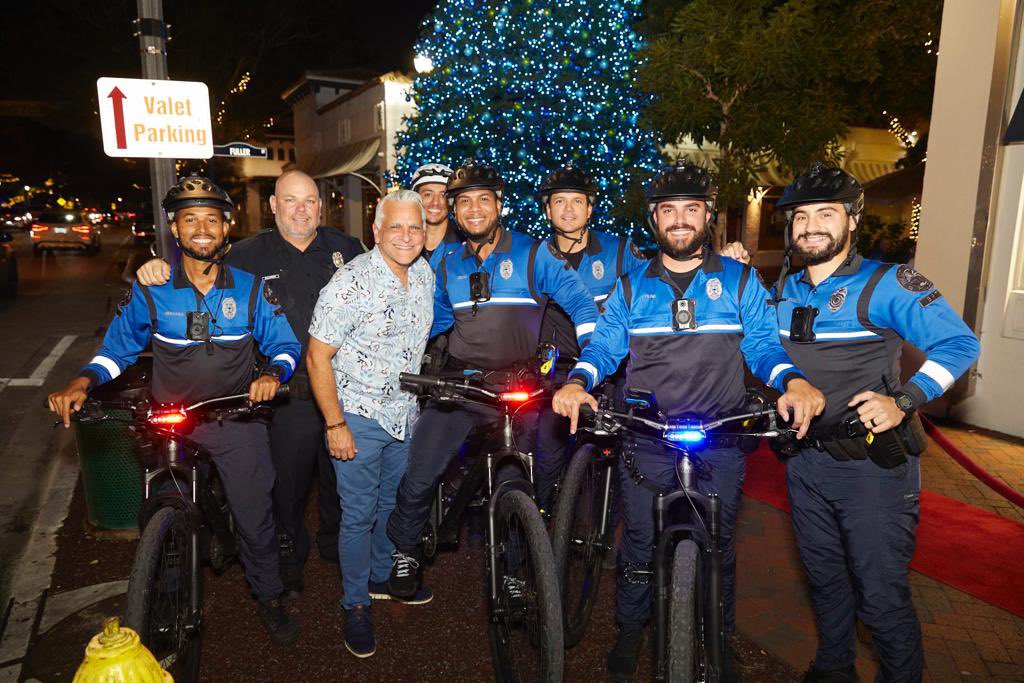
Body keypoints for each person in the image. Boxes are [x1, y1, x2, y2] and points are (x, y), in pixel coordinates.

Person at [551, 160, 826, 681]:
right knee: (637, 546)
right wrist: (578, 382)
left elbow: (764, 345)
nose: (680, 220)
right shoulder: (632, 288)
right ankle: (630, 632)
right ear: (655, 219)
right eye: (669, 210)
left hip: (720, 435)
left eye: (691, 209)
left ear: (708, 217)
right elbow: (605, 346)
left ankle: (719, 638)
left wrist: (791, 380)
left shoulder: (742, 280)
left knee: (719, 549)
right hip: (649, 436)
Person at [48, 176, 303, 645]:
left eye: (211, 219)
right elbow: (117, 351)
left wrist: (272, 375)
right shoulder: (153, 288)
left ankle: (269, 597)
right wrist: (82, 382)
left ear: (227, 227)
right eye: (191, 220)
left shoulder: (249, 289)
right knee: (158, 510)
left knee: (254, 516)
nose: (202, 228)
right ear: (175, 229)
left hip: (235, 419)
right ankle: (162, 592)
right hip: (173, 421)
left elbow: (286, 345)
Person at [771, 163, 981, 683]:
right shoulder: (781, 290)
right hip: (803, 464)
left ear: (852, 220)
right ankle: (834, 668)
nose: (811, 225)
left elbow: (960, 344)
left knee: (881, 597)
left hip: (871, 469)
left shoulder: (886, 283)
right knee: (825, 582)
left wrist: (906, 400)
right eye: (801, 216)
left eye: (826, 214)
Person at [135, 169, 365, 597]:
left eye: (310, 201)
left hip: (345, 390)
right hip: (284, 393)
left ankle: (336, 550)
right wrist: (157, 265)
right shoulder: (244, 254)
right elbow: (196, 268)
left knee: (341, 480)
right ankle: (289, 558)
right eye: (291, 201)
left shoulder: (347, 249)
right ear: (274, 206)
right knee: (288, 487)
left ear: (321, 206)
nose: (302, 209)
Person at [385, 159, 600, 598]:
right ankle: (405, 550)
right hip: (462, 385)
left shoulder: (533, 254)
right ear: (455, 211)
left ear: (499, 205)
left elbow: (581, 305)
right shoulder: (447, 266)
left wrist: (586, 368)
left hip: (517, 390)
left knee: (516, 481)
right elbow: (436, 322)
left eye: (484, 199)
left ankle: (517, 569)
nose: (475, 209)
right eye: (464, 202)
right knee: (421, 468)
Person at [306, 190, 435, 658]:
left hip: (405, 415)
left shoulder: (423, 274)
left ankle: (381, 577)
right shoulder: (351, 282)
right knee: (357, 516)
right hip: (357, 415)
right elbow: (317, 356)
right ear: (376, 232)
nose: (406, 236)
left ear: (425, 233)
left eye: (414, 227)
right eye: (395, 227)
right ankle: (355, 603)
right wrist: (335, 424)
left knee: (390, 503)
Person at [532, 163, 647, 514]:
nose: (568, 210)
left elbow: (654, 287)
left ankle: (605, 533)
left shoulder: (620, 250)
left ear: (590, 207)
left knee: (618, 459)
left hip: (610, 369)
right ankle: (538, 521)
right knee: (546, 454)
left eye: (577, 201)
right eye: (559, 202)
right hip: (557, 371)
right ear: (547, 209)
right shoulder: (533, 256)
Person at [410, 162, 462, 269]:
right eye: (428, 194)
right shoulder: (403, 242)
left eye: (443, 195)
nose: (435, 203)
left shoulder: (465, 244)